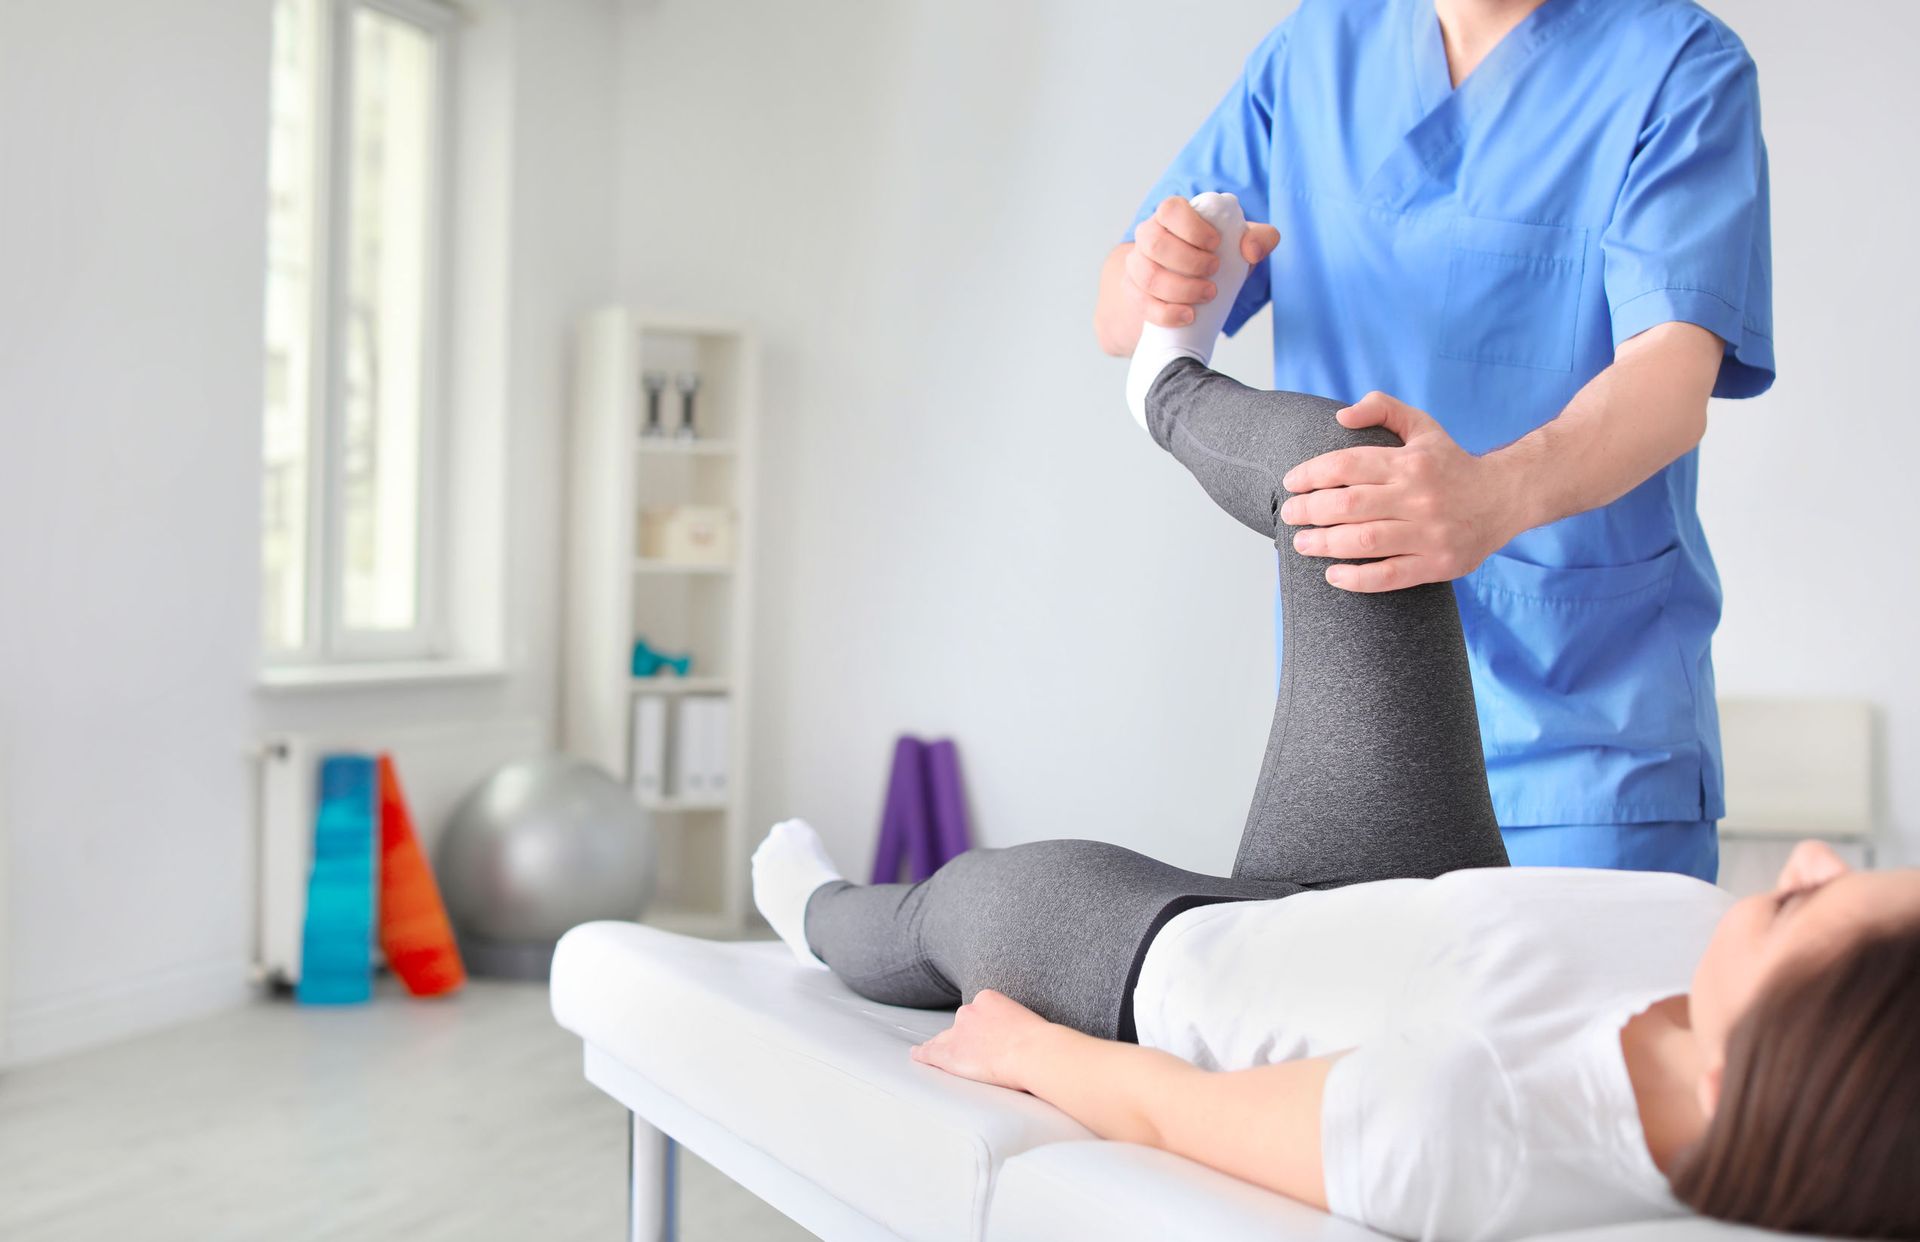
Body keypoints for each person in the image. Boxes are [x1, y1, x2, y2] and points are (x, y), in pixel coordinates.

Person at [750, 199, 1914, 1240]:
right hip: (1412, 871)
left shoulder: (1483, 1136)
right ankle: (1166, 384)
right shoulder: (1716, 961)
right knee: (1355, 482)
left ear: (1776, 1069)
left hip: (1190, 964)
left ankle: (812, 915)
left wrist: (1030, 1050)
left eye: (1817, 903)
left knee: (966, 903)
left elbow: (1175, 1107)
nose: (1808, 862)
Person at [1095, 0, 1777, 881]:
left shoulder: (1677, 64)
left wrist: (1493, 496)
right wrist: (1165, 271)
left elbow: (1670, 380)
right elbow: (1121, 314)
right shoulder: (1321, 48)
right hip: (1359, 725)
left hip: (1586, 746)